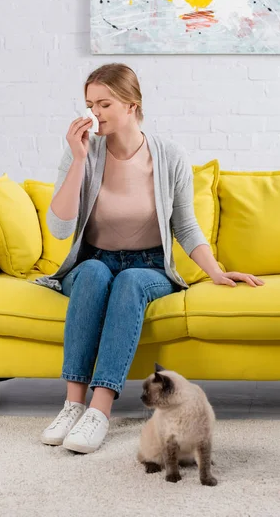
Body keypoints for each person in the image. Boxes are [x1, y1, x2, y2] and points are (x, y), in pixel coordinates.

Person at [39, 63, 265, 454]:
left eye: (104, 103)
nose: (93, 113)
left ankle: (99, 410)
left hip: (148, 266)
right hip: (94, 259)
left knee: (128, 282)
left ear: (132, 105)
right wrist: (78, 160)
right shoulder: (83, 152)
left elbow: (186, 226)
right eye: (89, 104)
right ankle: (72, 403)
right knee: (92, 272)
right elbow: (60, 229)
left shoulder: (168, 156)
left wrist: (216, 271)